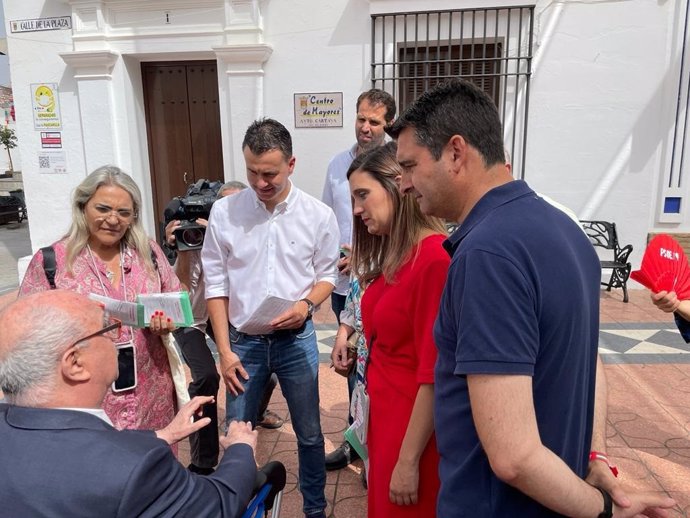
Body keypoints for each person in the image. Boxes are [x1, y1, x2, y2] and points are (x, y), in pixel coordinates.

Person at [389, 78, 676, 517]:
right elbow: (589, 359)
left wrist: (604, 510)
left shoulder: (488, 253)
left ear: (456, 152)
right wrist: (593, 457)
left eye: (410, 166)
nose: (405, 184)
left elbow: (513, 456)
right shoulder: (565, 228)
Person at [0, 289, 258, 517]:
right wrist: (240, 448)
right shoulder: (135, 469)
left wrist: (161, 435)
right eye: (107, 329)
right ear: (75, 364)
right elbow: (219, 505)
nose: (119, 337)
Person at [202, 118, 339, 518]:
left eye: (270, 173)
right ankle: (240, 507)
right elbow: (215, 286)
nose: (261, 181)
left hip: (296, 341)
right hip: (243, 344)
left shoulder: (317, 214)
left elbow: (327, 274)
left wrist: (307, 306)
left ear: (291, 164)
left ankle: (314, 508)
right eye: (252, 172)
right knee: (237, 436)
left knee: (310, 434)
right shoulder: (226, 212)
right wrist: (224, 352)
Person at [19, 165, 180, 434]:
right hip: (86, 398)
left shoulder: (148, 252)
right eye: (103, 209)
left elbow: (172, 298)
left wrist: (167, 322)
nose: (113, 219)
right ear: (83, 207)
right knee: (97, 468)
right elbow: (28, 331)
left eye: (123, 212)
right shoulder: (52, 262)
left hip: (151, 391)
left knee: (154, 466)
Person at [339, 142, 448, 516]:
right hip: (384, 421)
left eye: (363, 195)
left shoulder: (433, 259)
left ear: (396, 186)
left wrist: (408, 460)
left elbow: (434, 373)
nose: (356, 209)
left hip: (411, 432)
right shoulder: (399, 255)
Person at [165, 181, 283, 475]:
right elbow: (180, 286)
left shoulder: (249, 235)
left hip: (229, 317)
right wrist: (184, 247)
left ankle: (252, 414)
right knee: (206, 377)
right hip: (192, 318)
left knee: (259, 372)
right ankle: (203, 461)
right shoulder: (194, 235)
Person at [322, 88, 396, 471]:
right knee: (355, 365)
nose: (365, 128)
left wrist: (366, 258)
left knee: (381, 370)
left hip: (377, 280)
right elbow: (328, 219)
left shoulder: (399, 164)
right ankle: (357, 442)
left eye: (375, 122)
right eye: (361, 119)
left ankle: (378, 452)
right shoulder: (337, 164)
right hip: (346, 287)